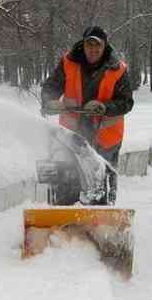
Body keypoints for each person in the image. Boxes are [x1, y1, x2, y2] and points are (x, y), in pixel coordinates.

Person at [41, 26, 134, 204]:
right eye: (89, 45)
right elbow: (51, 86)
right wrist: (49, 101)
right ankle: (63, 222)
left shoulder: (118, 69)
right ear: (83, 45)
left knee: (100, 187)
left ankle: (102, 225)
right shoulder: (68, 63)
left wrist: (104, 107)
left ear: (105, 46)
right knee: (66, 183)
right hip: (72, 135)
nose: (93, 50)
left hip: (105, 139)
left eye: (97, 46)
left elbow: (126, 102)